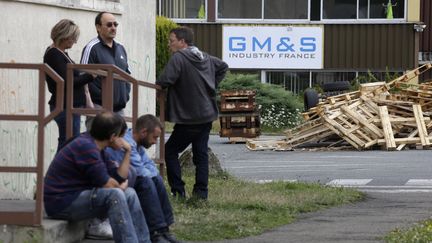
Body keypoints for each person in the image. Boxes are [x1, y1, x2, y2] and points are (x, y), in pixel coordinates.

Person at [44, 111, 151, 243]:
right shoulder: (86, 147)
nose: (123, 141)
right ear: (112, 137)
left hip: (77, 197)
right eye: (121, 137)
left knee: (130, 193)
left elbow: (119, 178)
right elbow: (109, 186)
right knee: (115, 195)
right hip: (61, 203)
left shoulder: (99, 147)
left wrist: (128, 151)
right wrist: (119, 187)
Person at [156, 27, 228, 200]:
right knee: (200, 154)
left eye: (171, 40)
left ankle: (178, 192)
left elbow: (165, 80)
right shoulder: (205, 57)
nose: (169, 44)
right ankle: (201, 194)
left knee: (169, 151)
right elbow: (223, 66)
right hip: (207, 115)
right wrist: (211, 86)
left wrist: (159, 88)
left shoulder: (179, 57)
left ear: (182, 42)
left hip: (189, 117)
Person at [105, 114, 181, 243]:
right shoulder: (127, 142)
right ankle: (155, 232)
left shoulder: (137, 144)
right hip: (116, 179)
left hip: (128, 178)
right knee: (146, 181)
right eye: (154, 137)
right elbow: (140, 170)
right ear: (144, 132)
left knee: (157, 179)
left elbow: (149, 166)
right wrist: (152, 176)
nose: (155, 141)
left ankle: (164, 230)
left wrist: (155, 176)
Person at [44, 19, 94, 152]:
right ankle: (58, 172)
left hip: (70, 107)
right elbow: (67, 82)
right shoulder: (54, 54)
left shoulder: (60, 54)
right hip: (65, 107)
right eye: (73, 38)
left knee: (68, 144)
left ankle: (57, 172)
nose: (75, 41)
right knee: (69, 146)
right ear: (64, 36)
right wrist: (90, 76)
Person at [81, 11, 131, 117]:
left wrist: (125, 95)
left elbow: (127, 74)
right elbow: (83, 75)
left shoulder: (121, 48)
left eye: (115, 24)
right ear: (98, 27)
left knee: (120, 134)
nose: (113, 28)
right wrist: (91, 101)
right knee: (99, 134)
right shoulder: (91, 48)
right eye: (109, 25)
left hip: (119, 109)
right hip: (99, 107)